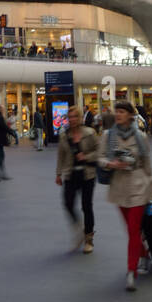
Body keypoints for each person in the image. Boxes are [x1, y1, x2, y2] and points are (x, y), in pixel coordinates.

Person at [101, 102, 152, 291]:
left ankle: (131, 271)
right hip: (119, 186)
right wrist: (111, 164)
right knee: (130, 228)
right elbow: (100, 158)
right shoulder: (108, 136)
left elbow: (147, 163)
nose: (118, 114)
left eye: (122, 111)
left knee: (133, 228)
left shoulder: (140, 136)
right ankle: (145, 253)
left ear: (131, 115)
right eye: (116, 111)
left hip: (139, 185)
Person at [56, 106, 98, 253]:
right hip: (71, 174)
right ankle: (79, 229)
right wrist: (58, 173)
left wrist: (86, 157)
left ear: (81, 118)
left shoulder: (90, 133)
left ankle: (89, 239)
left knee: (87, 206)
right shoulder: (64, 135)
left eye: (75, 116)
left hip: (87, 174)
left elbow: (99, 152)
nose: (72, 119)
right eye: (70, 117)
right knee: (67, 203)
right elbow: (61, 155)